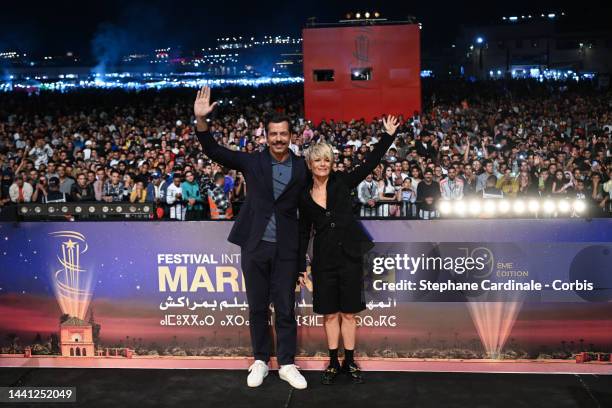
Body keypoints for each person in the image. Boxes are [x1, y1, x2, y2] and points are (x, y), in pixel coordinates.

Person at [194, 86, 308, 389]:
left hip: (286, 249)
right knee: (257, 306)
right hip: (254, 246)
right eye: (273, 134)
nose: (279, 139)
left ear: (291, 136)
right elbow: (214, 151)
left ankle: (286, 363)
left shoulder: (301, 168)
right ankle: (260, 360)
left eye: (284, 134)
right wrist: (202, 122)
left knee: (285, 308)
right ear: (266, 136)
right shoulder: (252, 162)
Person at [298, 115, 399, 385]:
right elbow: (302, 232)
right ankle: (333, 362)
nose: (322, 164)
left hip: (350, 256)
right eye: (317, 160)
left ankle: (350, 360)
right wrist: (300, 265)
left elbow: (369, 163)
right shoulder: (303, 195)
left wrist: (387, 137)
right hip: (323, 260)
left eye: (327, 160)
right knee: (330, 313)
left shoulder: (343, 182)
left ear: (332, 164)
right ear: (310, 164)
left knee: (349, 313)